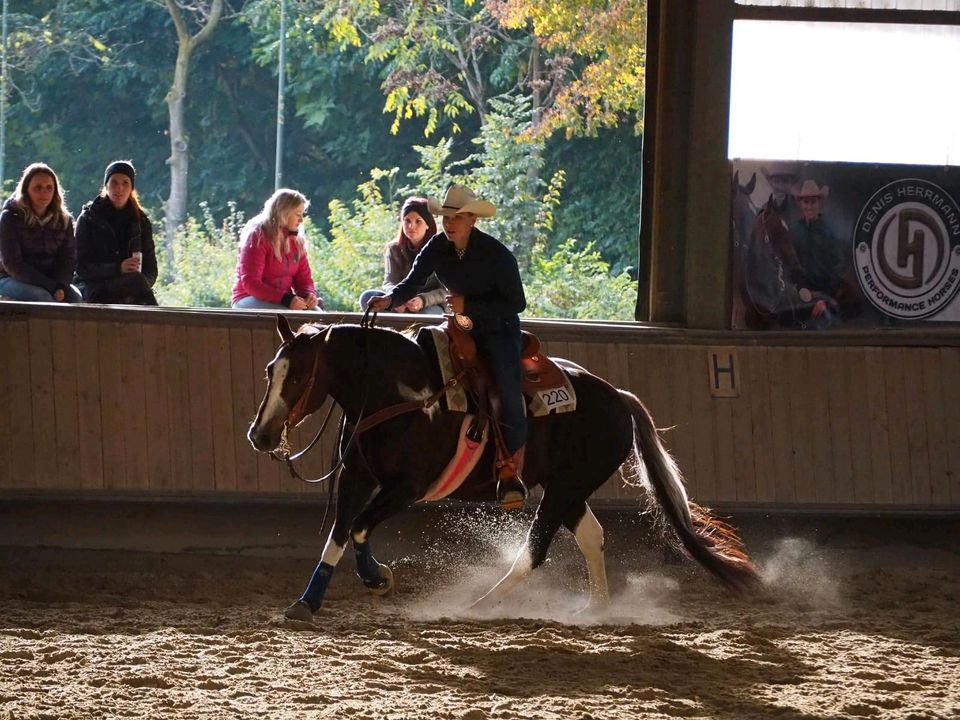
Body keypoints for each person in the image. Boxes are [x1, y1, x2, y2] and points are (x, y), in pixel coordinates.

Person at [368, 185, 528, 510]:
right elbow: (412, 282)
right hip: (457, 328)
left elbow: (517, 303)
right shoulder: (438, 247)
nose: (449, 224)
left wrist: (470, 304)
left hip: (498, 331)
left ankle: (510, 469)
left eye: (457, 218)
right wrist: (390, 300)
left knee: (507, 390)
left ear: (471, 219)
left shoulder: (496, 254)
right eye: (445, 218)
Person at [74, 161, 158, 305]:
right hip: (92, 285)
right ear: (106, 185)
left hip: (130, 285)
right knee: (135, 282)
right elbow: (81, 268)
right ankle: (160, 324)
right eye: (114, 183)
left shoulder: (140, 222)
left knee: (136, 281)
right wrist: (118, 268)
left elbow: (150, 270)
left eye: (125, 183)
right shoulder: (89, 218)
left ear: (131, 188)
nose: (119, 188)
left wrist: (137, 285)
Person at [0, 162, 81, 303]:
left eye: (49, 188)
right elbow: (13, 263)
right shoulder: (10, 218)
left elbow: (68, 258)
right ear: (27, 190)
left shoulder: (64, 220)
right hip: (10, 277)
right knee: (42, 298)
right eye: (38, 188)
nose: (44, 192)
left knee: (75, 297)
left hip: (52, 280)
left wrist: (61, 285)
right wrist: (51, 286)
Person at [232, 188, 323, 311]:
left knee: (318, 314)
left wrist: (308, 295)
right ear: (284, 213)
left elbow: (304, 279)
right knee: (290, 315)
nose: (301, 220)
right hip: (247, 298)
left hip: (282, 300)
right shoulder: (257, 237)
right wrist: (286, 299)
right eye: (298, 214)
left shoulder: (297, 242)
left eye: (302, 214)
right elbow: (251, 283)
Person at [359, 196, 446, 314]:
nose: (411, 226)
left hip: (428, 304)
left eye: (418, 221)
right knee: (367, 297)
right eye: (407, 221)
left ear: (428, 224)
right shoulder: (394, 248)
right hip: (399, 301)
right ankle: (389, 329)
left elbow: (445, 291)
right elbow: (389, 281)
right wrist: (393, 300)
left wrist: (422, 300)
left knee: (430, 314)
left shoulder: (439, 249)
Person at [788, 179, 845, 329]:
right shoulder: (793, 231)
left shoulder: (829, 232)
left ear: (819, 203)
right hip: (798, 298)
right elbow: (788, 264)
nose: (809, 206)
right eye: (806, 202)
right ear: (801, 204)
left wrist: (824, 299)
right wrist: (799, 292)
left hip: (825, 297)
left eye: (813, 202)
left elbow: (838, 267)